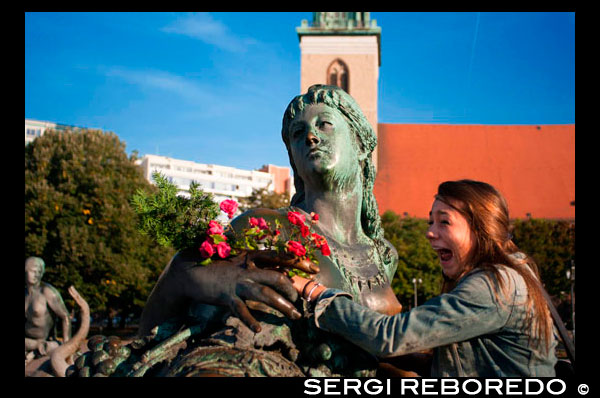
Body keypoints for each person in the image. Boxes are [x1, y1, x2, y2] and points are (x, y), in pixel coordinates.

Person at [133, 85, 404, 376]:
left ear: (361, 145)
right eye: (298, 134)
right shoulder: (268, 227)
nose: (311, 136)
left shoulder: (383, 254)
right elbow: (151, 335)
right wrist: (186, 273)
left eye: (324, 124)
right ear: (293, 159)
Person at [292, 179, 558, 377]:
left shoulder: (493, 286)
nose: (431, 232)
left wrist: (317, 293)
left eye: (444, 222)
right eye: (431, 222)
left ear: (482, 229)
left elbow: (389, 336)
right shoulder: (513, 276)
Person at [25, 257, 71, 359]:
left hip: (45, 343)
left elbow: (65, 317)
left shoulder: (47, 292)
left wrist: (67, 347)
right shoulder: (25, 294)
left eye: (40, 271)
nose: (37, 274)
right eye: (33, 271)